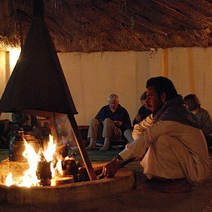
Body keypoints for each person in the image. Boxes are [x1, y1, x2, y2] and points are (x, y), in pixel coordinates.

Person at [102, 77, 210, 193]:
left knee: (160, 139)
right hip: (188, 162)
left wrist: (117, 161)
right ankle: (165, 177)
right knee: (148, 140)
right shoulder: (162, 113)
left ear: (163, 97)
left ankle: (180, 181)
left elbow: (148, 136)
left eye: (150, 97)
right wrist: (143, 148)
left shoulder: (173, 116)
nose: (147, 102)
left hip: (197, 169)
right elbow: (138, 127)